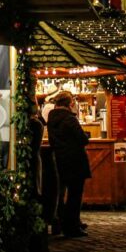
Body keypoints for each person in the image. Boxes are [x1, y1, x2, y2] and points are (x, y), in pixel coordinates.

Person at [47, 90, 91, 237]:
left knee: (62, 194)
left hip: (59, 158)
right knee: (75, 195)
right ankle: (72, 226)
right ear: (69, 103)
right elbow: (82, 139)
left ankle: (64, 223)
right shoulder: (70, 119)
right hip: (75, 159)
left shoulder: (51, 118)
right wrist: (86, 135)